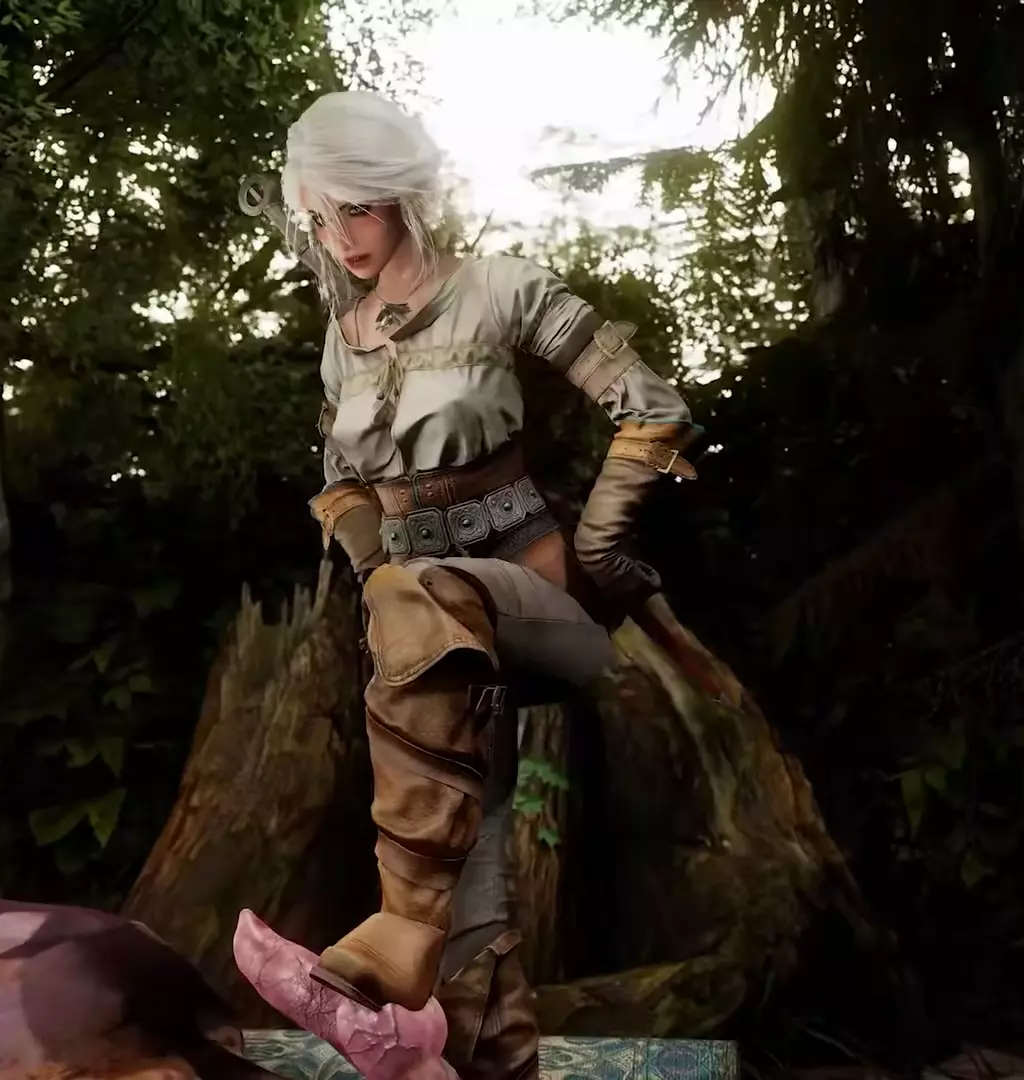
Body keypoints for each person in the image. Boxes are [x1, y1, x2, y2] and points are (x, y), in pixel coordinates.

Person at [232, 90, 701, 1080]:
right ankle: (490, 1058)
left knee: (432, 605)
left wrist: (600, 551)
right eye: (320, 218)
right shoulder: (344, 337)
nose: (339, 238)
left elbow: (652, 407)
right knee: (473, 872)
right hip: (426, 650)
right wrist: (378, 580)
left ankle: (396, 935)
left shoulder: (501, 288)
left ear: (400, 191)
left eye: (355, 208)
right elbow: (341, 485)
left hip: (537, 608)